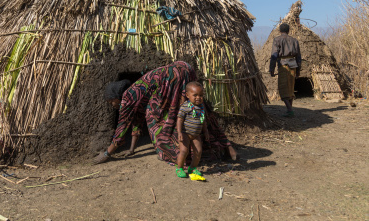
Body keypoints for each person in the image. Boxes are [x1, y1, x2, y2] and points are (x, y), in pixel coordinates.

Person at [93, 61, 237, 164]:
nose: (113, 106)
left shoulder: (128, 96)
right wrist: (132, 149)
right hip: (183, 67)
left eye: (111, 102)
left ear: (116, 96)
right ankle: (225, 146)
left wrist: (107, 153)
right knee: (196, 108)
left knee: (159, 116)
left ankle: (173, 151)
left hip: (173, 76)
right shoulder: (137, 91)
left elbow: (122, 126)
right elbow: (136, 121)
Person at [175, 81, 208, 180]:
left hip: (196, 135)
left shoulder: (201, 107)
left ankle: (192, 168)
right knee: (184, 151)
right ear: (187, 95)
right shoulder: (185, 107)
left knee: (198, 151)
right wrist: (179, 132)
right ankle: (179, 168)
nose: (198, 97)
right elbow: (179, 120)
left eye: (201, 95)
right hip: (185, 133)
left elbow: (203, 120)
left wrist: (206, 131)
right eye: (195, 95)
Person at [269, 23, 302, 117]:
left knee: (283, 88)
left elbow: (274, 55)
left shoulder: (277, 40)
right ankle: (289, 110)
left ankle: (290, 110)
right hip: (293, 65)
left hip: (283, 65)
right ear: (288, 31)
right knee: (290, 87)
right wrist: (298, 70)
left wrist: (272, 68)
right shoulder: (294, 40)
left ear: (280, 31)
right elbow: (298, 57)